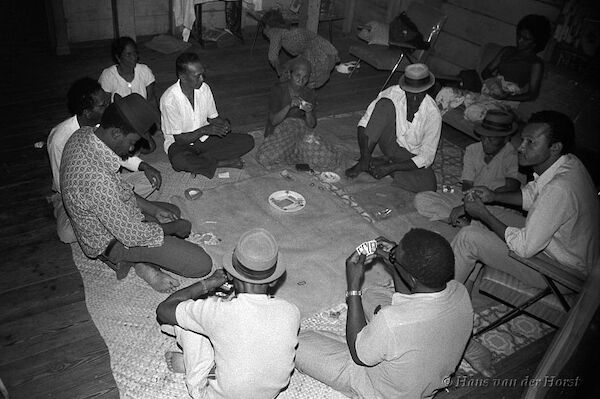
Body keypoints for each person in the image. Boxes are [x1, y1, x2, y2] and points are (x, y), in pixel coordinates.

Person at [452, 110, 599, 375]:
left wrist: (483, 213)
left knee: (469, 236)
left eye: (531, 142)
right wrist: (492, 196)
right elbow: (531, 195)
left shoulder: (561, 189)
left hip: (559, 274)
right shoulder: (566, 164)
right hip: (553, 246)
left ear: (554, 147)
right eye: (523, 139)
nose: (521, 146)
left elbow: (523, 247)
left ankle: (434, 302)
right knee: (488, 216)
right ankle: (465, 289)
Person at [60, 93, 213, 292]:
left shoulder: (83, 134)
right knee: (201, 264)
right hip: (110, 242)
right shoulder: (97, 180)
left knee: (169, 210)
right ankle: (135, 263)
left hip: (112, 217)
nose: (132, 148)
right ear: (115, 133)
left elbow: (118, 189)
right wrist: (174, 228)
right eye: (132, 142)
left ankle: (142, 258)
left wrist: (153, 210)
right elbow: (133, 236)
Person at [295, 229, 473, 398]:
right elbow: (408, 295)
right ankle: (372, 339)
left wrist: (353, 288)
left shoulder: (392, 321)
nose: (392, 254)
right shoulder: (460, 292)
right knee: (372, 295)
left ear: (412, 278)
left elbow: (358, 356)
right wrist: (396, 262)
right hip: (417, 360)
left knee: (298, 343)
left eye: (396, 254)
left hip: (379, 389)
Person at [156, 228, 300, 399]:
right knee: (242, 339)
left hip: (216, 395)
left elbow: (164, 309)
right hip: (267, 395)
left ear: (230, 275)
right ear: (274, 279)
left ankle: (197, 366)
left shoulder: (218, 311)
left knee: (188, 325)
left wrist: (207, 283)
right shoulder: (291, 311)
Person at [47, 77, 162, 244]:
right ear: (87, 112)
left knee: (148, 180)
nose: (109, 108)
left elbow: (118, 151)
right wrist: (104, 196)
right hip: (75, 194)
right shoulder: (60, 138)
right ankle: (112, 217)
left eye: (108, 102)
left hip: (106, 182)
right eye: (102, 105)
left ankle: (117, 214)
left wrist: (143, 165)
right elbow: (63, 183)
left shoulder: (102, 125)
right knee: (67, 234)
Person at [345, 63, 442, 193]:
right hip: (390, 142)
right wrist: (364, 156)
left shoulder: (433, 113)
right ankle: (366, 162)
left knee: (428, 185)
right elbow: (364, 123)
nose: (413, 99)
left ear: (426, 91)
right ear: (404, 88)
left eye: (419, 94)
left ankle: (385, 164)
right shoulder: (393, 93)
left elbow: (427, 157)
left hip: (409, 156)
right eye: (409, 93)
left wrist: (392, 168)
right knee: (384, 105)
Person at [414, 109, 523, 225]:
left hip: (496, 204)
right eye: (483, 137)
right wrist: (467, 203)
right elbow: (467, 184)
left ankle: (469, 222)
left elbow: (511, 188)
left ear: (506, 139)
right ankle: (465, 223)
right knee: (422, 198)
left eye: (491, 140)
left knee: (503, 220)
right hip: (469, 197)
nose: (485, 142)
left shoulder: (512, 155)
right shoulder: (473, 149)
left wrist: (481, 202)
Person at [436, 15, 552, 122]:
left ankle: (490, 114)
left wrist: (505, 95)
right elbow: (486, 72)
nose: (520, 41)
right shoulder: (507, 51)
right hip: (488, 92)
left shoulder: (535, 63)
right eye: (519, 36)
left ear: (536, 42)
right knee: (446, 93)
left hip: (505, 102)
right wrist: (494, 84)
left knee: (474, 112)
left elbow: (532, 94)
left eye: (526, 39)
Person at [160, 52, 255, 178]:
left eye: (202, 74)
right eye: (197, 76)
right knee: (179, 161)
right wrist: (205, 130)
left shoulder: (204, 89)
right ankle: (221, 163)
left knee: (248, 141)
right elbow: (180, 140)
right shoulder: (169, 100)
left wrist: (224, 124)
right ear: (183, 77)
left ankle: (201, 162)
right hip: (181, 145)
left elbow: (214, 118)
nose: (202, 79)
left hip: (205, 140)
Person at [256, 57, 341, 170]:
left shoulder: (309, 93)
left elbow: (311, 125)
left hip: (301, 131)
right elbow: (273, 121)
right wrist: (289, 105)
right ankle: (297, 155)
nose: (301, 80)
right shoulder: (278, 90)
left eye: (305, 77)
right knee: (264, 157)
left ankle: (296, 153)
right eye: (297, 75)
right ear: (289, 74)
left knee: (330, 160)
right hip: (281, 131)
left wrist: (309, 112)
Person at [261, 8, 339, 89]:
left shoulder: (274, 32)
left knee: (303, 81)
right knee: (291, 71)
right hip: (325, 51)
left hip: (322, 55)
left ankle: (300, 98)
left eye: (264, 28)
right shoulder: (285, 30)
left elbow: (273, 58)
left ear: (267, 26)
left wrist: (280, 72)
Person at [99, 36, 159, 107]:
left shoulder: (144, 71)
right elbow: (106, 105)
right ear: (118, 57)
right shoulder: (108, 76)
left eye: (135, 53)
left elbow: (151, 100)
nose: (134, 57)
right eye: (128, 54)